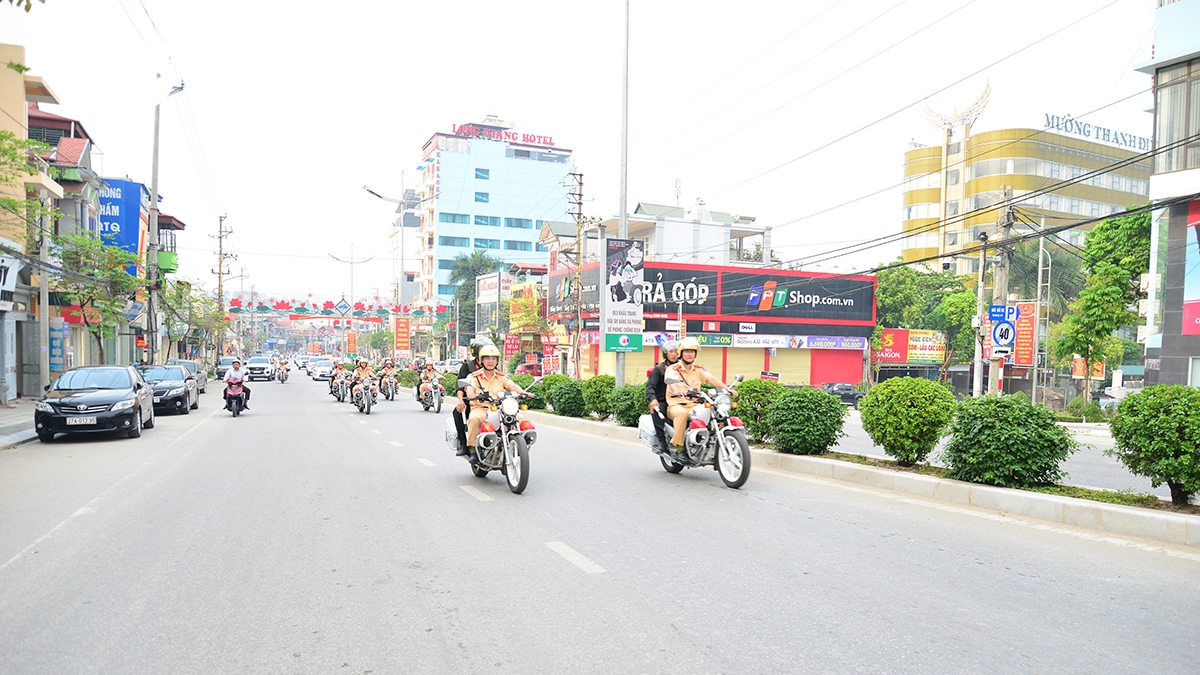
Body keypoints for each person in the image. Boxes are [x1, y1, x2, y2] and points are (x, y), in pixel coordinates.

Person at [664, 337, 736, 459]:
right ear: (681, 353)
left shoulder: (698, 369)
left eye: (692, 351)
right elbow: (671, 381)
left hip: (695, 404)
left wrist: (727, 389)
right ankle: (679, 448)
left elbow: (711, 378)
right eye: (687, 351)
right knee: (682, 414)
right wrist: (678, 391)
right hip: (677, 405)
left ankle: (715, 442)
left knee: (715, 411)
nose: (690, 354)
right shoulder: (673, 369)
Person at [463, 344, 526, 456]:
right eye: (487, 358)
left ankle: (521, 447)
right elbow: (469, 388)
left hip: (500, 409)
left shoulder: (502, 376)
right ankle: (473, 450)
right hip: (481, 409)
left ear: (497, 361)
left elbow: (512, 386)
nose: (490, 361)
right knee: (474, 418)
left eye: (493, 358)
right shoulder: (474, 376)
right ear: (482, 360)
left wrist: (524, 393)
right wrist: (472, 394)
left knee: (520, 418)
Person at [453, 337, 494, 456]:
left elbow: (503, 381)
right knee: (457, 412)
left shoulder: (492, 365)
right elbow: (460, 386)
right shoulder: (468, 366)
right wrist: (461, 400)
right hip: (472, 399)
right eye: (482, 350)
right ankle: (463, 443)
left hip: (491, 400)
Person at [644, 339, 681, 453]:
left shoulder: (683, 367)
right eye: (671, 352)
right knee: (656, 410)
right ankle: (662, 442)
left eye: (676, 352)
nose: (674, 354)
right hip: (664, 400)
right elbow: (650, 387)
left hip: (682, 400)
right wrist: (653, 399)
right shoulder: (659, 369)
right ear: (666, 354)